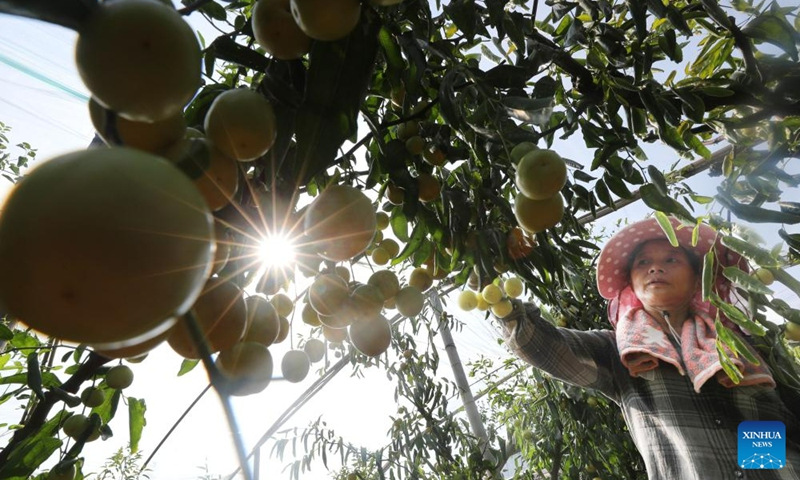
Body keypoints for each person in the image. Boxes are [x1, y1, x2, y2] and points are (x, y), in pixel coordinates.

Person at [497, 215, 800, 479]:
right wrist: (503, 305)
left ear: (698, 278)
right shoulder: (622, 353)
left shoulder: (741, 343)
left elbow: (777, 420)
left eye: (671, 259)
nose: (655, 268)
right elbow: (545, 346)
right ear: (630, 282)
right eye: (643, 262)